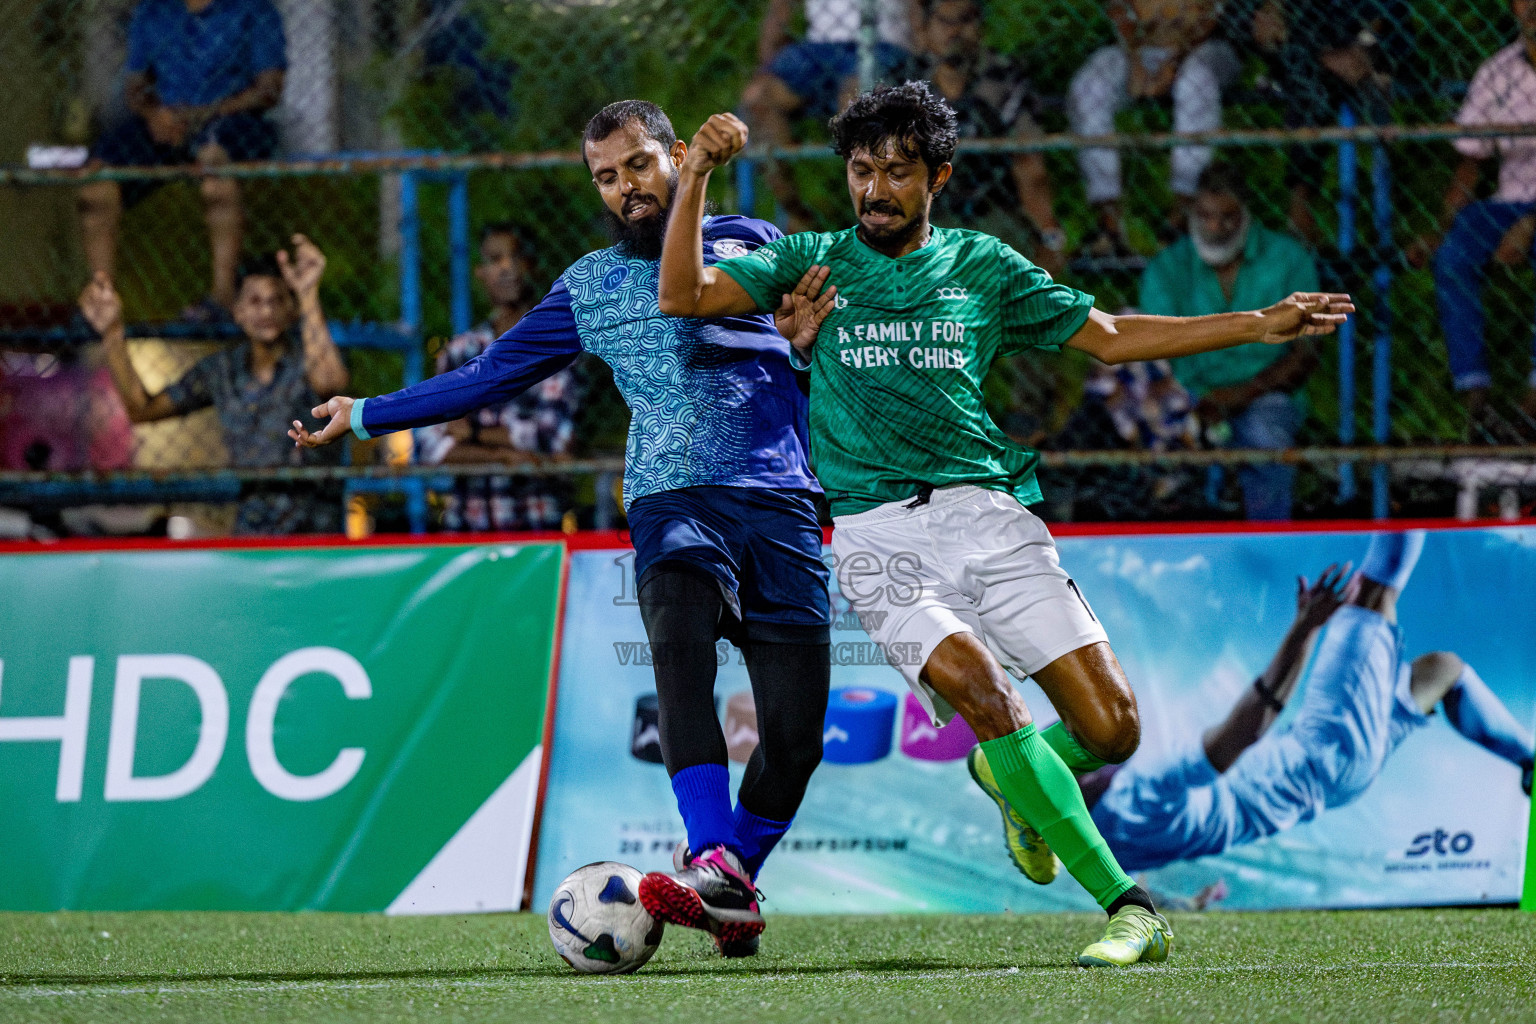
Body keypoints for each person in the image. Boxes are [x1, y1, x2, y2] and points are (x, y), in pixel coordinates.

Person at [656, 82, 1351, 966]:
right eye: (861, 171)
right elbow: (683, 294)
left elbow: (1108, 334)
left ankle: (1010, 777)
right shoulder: (810, 261)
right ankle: (1129, 907)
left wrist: (1258, 324)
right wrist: (699, 177)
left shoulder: (983, 266)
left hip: (992, 518)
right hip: (878, 537)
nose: (875, 189)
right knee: (988, 698)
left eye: (898, 173)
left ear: (937, 177)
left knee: (1113, 731)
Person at [289, 100, 838, 957]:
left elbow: (814, 384)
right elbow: (489, 374)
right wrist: (366, 413)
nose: (624, 188)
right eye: (606, 177)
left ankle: (731, 883)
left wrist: (805, 355)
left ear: (677, 156)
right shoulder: (589, 286)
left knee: (797, 739)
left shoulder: (756, 240)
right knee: (678, 628)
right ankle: (704, 851)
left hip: (780, 501)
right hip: (672, 496)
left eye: (637, 166)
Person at [1082, 533, 1535, 874]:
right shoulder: (1137, 792)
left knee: (1442, 670)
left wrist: (1185, 906)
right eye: (1077, 761)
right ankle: (1403, 491)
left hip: (1336, 783)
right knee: (1371, 595)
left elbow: (1130, 885)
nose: (1089, 754)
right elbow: (1243, 732)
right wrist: (1306, 627)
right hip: (1323, 752)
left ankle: (1529, 760)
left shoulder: (1111, 845)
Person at [80, 236, 347, 534]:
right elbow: (142, 409)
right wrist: (113, 333)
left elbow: (330, 382)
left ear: (291, 310)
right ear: (238, 311)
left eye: (277, 300)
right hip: (253, 529)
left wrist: (308, 294)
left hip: (316, 527)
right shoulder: (221, 371)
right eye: (255, 302)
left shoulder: (309, 361)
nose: (266, 312)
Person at [79, 0, 288, 320]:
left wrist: (203, 115)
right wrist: (154, 115)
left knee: (213, 159)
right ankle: (101, 299)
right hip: (166, 124)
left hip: (231, 119)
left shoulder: (253, 9)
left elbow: (268, 89)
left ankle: (221, 298)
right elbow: (135, 86)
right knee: (96, 178)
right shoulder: (153, 10)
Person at [1139, 162, 1319, 520]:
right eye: (1204, 216)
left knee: (1265, 435)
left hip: (1264, 393)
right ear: (1190, 212)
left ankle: (1267, 550)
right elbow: (1154, 351)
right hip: (1188, 394)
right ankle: (1165, 540)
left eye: (1227, 218)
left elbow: (1305, 354)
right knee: (1151, 426)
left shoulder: (1289, 260)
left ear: (1245, 213)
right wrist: (1197, 401)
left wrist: (1240, 395)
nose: (1214, 228)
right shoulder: (1166, 268)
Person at [1414, 0, 1536, 443]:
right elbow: (1470, 165)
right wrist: (1440, 226)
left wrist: (1530, 225)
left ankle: (1531, 410)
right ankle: (1477, 403)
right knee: (1453, 256)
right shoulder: (1497, 71)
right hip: (1508, 203)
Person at [418, 223, 582, 532]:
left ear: (530, 265)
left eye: (516, 256)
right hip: (467, 529)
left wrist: (474, 433)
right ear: (481, 272)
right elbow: (431, 444)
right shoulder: (458, 353)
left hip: (536, 529)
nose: (507, 268)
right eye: (495, 259)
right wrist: (507, 455)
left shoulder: (556, 348)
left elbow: (551, 437)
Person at [1067, 0, 1241, 254]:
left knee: (1195, 84)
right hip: (1136, 48)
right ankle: (1109, 225)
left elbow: (1208, 16)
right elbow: (1119, 10)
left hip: (1204, 48)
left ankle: (1182, 218)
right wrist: (1136, 59)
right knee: (1089, 88)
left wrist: (1173, 63)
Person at [916, 0, 1067, 276]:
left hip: (995, 212)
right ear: (924, 30)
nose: (955, 31)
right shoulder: (905, 82)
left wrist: (1050, 236)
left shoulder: (1006, 80)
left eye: (965, 20)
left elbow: (1030, 168)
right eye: (944, 21)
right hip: (926, 214)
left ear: (981, 27)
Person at [744, 0, 920, 229]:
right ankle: (796, 215)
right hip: (819, 49)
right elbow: (780, 8)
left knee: (856, 100)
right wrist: (768, 60)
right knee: (757, 99)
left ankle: (874, 216)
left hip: (882, 45)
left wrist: (923, 53)